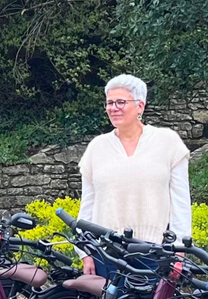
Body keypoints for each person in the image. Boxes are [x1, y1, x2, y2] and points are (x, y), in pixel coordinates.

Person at [77, 74, 192, 254]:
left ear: (140, 106)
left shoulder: (168, 142)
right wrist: (85, 252)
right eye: (109, 103)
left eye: (121, 102)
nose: (113, 108)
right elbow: (87, 206)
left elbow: (181, 201)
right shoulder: (96, 147)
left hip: (156, 252)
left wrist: (179, 248)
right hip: (105, 253)